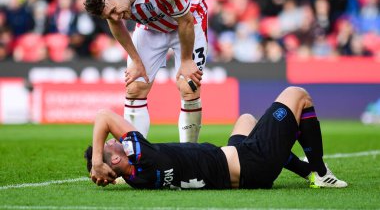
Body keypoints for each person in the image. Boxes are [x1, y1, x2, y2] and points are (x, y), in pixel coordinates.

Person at [84, 86, 348, 189]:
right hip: (253, 162)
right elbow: (104, 115)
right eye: (109, 145)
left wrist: (108, 171)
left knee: (246, 120)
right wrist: (98, 160)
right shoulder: (145, 157)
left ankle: (305, 171)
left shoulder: (137, 177)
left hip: (236, 164)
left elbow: (117, 160)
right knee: (297, 94)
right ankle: (321, 173)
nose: (109, 140)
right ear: (116, 157)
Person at [84, 0, 208, 142]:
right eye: (109, 15)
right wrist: (136, 61)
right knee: (134, 88)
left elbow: (185, 21)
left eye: (114, 10)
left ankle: (190, 152)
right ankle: (136, 154)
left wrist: (187, 60)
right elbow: (116, 24)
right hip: (150, 25)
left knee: (189, 87)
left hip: (188, 20)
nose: (116, 17)